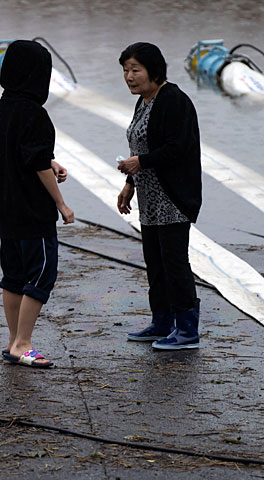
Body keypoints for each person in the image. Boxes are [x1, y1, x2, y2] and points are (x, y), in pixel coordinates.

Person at [0, 40, 74, 368]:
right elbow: (36, 162)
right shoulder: (35, 114)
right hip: (31, 211)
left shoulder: (4, 105)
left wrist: (50, 162)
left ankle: (13, 343)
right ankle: (23, 344)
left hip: (5, 208)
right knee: (40, 275)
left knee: (13, 275)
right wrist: (62, 204)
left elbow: (22, 152)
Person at [116, 42, 202, 350]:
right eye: (125, 70)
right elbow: (140, 146)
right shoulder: (143, 100)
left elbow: (178, 147)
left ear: (154, 70)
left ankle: (188, 331)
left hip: (173, 198)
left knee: (174, 263)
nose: (129, 76)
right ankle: (162, 322)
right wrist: (130, 183)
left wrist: (140, 163)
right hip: (150, 200)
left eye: (135, 70)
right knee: (155, 262)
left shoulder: (173, 100)